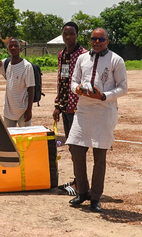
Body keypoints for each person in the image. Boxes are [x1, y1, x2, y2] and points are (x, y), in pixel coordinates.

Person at [66, 27, 128, 213]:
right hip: (83, 110)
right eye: (94, 38)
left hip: (104, 111)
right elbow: (74, 80)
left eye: (101, 39)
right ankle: (82, 192)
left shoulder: (116, 60)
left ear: (107, 41)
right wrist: (76, 89)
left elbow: (123, 87)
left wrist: (104, 96)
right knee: (76, 150)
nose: (97, 42)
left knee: (99, 157)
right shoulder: (82, 58)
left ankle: (95, 197)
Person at [53, 22, 87, 195]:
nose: (68, 37)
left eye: (71, 34)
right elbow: (62, 80)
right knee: (72, 146)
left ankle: (81, 184)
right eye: (65, 34)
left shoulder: (84, 55)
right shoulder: (62, 54)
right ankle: (77, 180)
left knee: (78, 147)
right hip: (66, 108)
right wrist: (58, 105)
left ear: (77, 35)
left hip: (79, 108)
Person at [0, 37, 35, 127]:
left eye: (16, 46)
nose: (13, 48)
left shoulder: (27, 66)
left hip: (23, 110)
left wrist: (29, 110)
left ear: (20, 49)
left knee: (24, 138)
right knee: (10, 137)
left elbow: (31, 88)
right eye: (11, 46)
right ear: (7, 49)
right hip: (8, 112)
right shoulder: (6, 63)